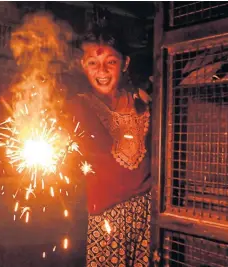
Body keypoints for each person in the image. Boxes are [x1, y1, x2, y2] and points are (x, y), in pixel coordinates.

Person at [66, 22, 153, 267]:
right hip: (106, 216)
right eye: (92, 62)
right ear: (82, 65)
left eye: (110, 62)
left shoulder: (143, 101)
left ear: (125, 63)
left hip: (147, 212)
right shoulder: (78, 106)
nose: (101, 70)